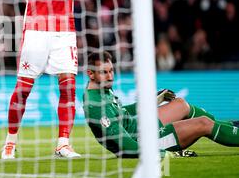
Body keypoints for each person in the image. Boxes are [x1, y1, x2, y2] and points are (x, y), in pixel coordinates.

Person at [0, 0, 107, 159]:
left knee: (68, 88)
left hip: (64, 32)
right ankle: (10, 143)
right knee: (23, 90)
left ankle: (63, 144)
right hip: (35, 30)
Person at [83, 51, 239, 158]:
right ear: (90, 74)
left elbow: (124, 112)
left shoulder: (103, 89)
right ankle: (230, 130)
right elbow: (126, 146)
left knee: (180, 104)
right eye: (105, 72)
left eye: (111, 71)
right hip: (142, 141)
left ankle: (229, 126)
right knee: (203, 124)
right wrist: (166, 154)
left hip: (138, 126)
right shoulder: (95, 106)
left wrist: (153, 100)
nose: (110, 76)